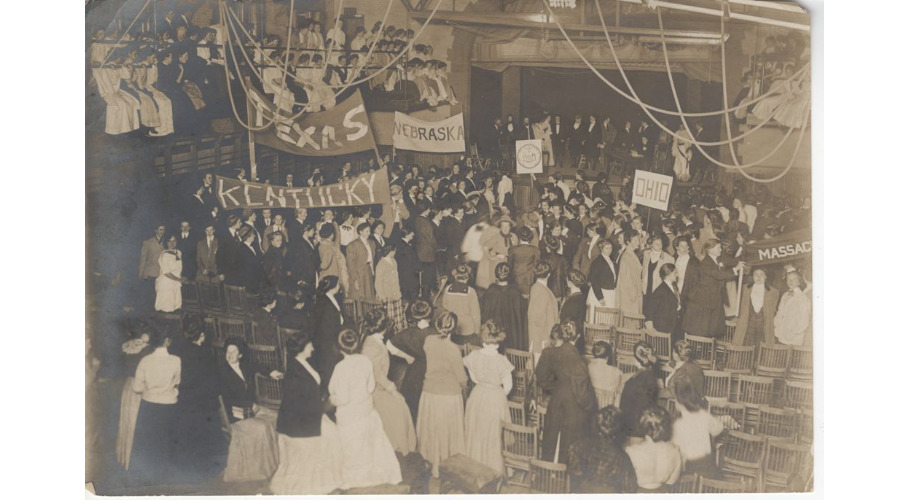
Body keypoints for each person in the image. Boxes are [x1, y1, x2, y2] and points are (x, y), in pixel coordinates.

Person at [328, 329, 403, 489]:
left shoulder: (340, 368)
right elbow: (370, 387)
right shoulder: (365, 360)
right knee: (371, 447)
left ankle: (355, 479)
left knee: (351, 450)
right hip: (367, 412)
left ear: (339, 348)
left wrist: (331, 399)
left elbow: (342, 398)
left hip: (349, 417)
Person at [270, 332, 343, 494]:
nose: (313, 347)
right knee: (331, 437)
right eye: (310, 345)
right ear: (302, 348)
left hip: (307, 413)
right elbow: (301, 403)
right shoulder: (296, 372)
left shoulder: (301, 362)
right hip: (298, 421)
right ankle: (321, 483)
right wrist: (328, 404)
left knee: (333, 434)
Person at [535, 322, 597, 464]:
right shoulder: (580, 362)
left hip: (557, 399)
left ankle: (549, 471)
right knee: (568, 442)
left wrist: (558, 388)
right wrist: (592, 409)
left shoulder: (551, 353)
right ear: (578, 337)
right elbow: (582, 396)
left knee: (552, 436)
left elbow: (542, 377)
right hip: (573, 406)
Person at [417, 312, 468, 478]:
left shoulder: (428, 341)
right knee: (448, 434)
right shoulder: (453, 349)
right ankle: (448, 467)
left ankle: (431, 465)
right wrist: (465, 384)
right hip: (449, 397)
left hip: (429, 394)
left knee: (432, 432)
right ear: (453, 329)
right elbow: (461, 378)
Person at [129, 324, 181, 485]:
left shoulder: (145, 360)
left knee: (149, 444)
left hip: (149, 406)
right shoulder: (176, 360)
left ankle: (148, 478)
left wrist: (150, 389)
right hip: (169, 407)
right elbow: (177, 382)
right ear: (168, 341)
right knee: (167, 443)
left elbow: (137, 387)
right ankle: (167, 478)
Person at [174, 318, 223, 481]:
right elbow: (214, 383)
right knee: (204, 442)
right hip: (202, 405)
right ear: (202, 335)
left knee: (188, 441)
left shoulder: (177, 350)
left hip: (183, 403)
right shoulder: (205, 354)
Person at [463, 320, 514, 473]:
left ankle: (474, 465)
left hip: (478, 395)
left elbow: (473, 378)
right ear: (498, 341)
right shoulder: (501, 360)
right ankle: (493, 468)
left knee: (476, 431)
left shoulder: (473, 355)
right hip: (495, 398)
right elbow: (508, 386)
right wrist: (497, 393)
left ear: (483, 339)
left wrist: (484, 385)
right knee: (493, 435)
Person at [682, 239, 745, 338]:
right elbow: (718, 275)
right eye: (718, 248)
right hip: (704, 299)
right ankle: (703, 344)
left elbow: (734, 261)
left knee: (714, 325)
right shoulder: (706, 263)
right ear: (710, 250)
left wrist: (746, 249)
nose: (721, 249)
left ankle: (710, 341)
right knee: (704, 326)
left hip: (715, 296)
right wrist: (735, 269)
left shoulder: (720, 258)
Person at [568, 406, 638, 493]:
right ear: (618, 429)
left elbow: (574, 476)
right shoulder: (622, 458)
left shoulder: (577, 446)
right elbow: (629, 490)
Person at [115, 320, 155, 472]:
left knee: (127, 424)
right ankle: (137, 462)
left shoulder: (127, 347)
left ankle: (125, 458)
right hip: (139, 390)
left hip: (128, 388)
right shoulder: (147, 351)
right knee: (136, 425)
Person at [390, 300, 437, 420]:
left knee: (413, 405)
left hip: (414, 373)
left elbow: (389, 345)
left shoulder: (408, 333)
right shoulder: (436, 333)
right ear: (430, 314)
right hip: (432, 372)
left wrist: (406, 356)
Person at [670, 379, 725, 478]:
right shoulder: (703, 415)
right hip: (710, 468)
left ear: (679, 402)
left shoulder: (678, 425)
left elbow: (677, 455)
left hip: (691, 470)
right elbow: (719, 428)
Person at [624, 406, 683, 492]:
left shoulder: (631, 451)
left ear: (642, 426)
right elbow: (672, 481)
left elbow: (625, 483)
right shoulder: (675, 451)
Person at [480, 263, 528, 351]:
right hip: (512, 341)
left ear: (496, 276)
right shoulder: (516, 293)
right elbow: (521, 320)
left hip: (493, 338)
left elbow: (484, 316)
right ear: (510, 277)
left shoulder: (490, 292)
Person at [618, 342, 662, 437]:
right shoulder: (650, 375)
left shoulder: (633, 382)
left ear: (635, 359)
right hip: (643, 423)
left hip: (632, 428)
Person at [312, 276, 348, 387]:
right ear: (332, 287)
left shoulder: (331, 298)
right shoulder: (324, 303)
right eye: (337, 284)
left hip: (332, 338)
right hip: (328, 342)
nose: (339, 286)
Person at [733, 268, 780, 346]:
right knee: (745, 345)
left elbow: (773, 310)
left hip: (763, 326)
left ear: (766, 276)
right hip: (747, 324)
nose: (758, 277)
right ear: (752, 276)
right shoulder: (745, 288)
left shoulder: (773, 292)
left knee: (762, 346)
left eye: (761, 274)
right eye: (756, 274)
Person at [440, 264, 482, 345]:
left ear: (455, 276)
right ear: (467, 277)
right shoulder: (471, 291)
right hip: (468, 329)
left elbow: (444, 306)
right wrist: (477, 329)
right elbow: (475, 313)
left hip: (452, 327)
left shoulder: (448, 289)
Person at [528, 261, 559, 361]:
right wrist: (542, 341)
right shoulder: (541, 291)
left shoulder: (537, 288)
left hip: (542, 337)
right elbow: (537, 319)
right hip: (542, 338)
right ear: (549, 275)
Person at [375, 244, 407, 333]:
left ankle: (399, 332)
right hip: (387, 295)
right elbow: (378, 282)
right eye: (394, 251)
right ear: (390, 251)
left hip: (396, 294)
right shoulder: (381, 264)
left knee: (398, 316)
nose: (395, 252)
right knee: (390, 317)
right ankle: (390, 333)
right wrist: (382, 296)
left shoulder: (393, 261)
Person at [774, 270, 812, 346]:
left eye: (794, 279)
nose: (790, 281)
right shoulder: (785, 295)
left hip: (794, 337)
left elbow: (804, 319)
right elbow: (779, 312)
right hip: (781, 334)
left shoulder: (803, 298)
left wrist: (794, 331)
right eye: (788, 279)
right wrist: (776, 325)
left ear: (799, 281)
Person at [477, 217, 516, 290]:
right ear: (500, 227)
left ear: (510, 227)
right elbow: (485, 247)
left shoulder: (514, 237)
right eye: (503, 226)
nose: (505, 228)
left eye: (507, 226)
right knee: (496, 285)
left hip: (509, 263)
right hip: (497, 263)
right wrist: (491, 257)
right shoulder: (497, 236)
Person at [644, 264, 682, 336]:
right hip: (664, 329)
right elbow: (650, 310)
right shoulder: (660, 290)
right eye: (675, 273)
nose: (677, 275)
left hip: (674, 326)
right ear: (669, 274)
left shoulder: (674, 286)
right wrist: (650, 327)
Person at [616, 231, 645, 318]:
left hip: (634, 292)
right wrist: (633, 294)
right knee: (630, 321)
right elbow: (625, 278)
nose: (638, 243)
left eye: (638, 240)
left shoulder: (632, 254)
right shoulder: (626, 257)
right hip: (629, 295)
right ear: (628, 242)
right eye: (635, 241)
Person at [587, 239, 618, 319]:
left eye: (610, 248)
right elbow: (594, 281)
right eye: (607, 248)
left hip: (610, 292)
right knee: (599, 317)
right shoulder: (597, 262)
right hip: (601, 293)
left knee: (608, 317)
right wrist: (600, 298)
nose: (609, 250)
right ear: (601, 249)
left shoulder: (611, 260)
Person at [155, 235, 186, 312]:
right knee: (166, 308)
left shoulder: (178, 252)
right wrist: (179, 279)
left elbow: (178, 268)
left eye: (174, 241)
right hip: (166, 284)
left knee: (176, 307)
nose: (172, 243)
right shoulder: (164, 255)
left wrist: (181, 277)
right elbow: (166, 272)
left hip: (175, 283)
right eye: (169, 241)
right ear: (166, 242)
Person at [588, 341, 623, 406]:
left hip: (591, 408)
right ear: (608, 356)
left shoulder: (587, 367)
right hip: (608, 410)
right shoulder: (617, 372)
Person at [317, 223, 349, 294]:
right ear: (331, 234)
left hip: (325, 275)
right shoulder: (330, 247)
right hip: (331, 275)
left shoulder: (321, 245)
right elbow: (325, 264)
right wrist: (320, 267)